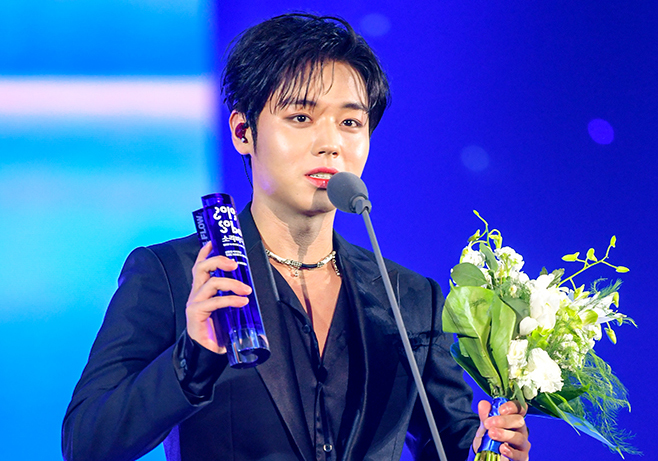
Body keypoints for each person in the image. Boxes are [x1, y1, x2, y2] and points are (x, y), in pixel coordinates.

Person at [62, 13, 530, 461]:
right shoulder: (177, 275)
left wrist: (492, 448)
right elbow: (87, 442)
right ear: (243, 131)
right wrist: (194, 355)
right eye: (301, 117)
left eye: (350, 122)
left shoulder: (409, 296)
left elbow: (448, 446)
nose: (330, 144)